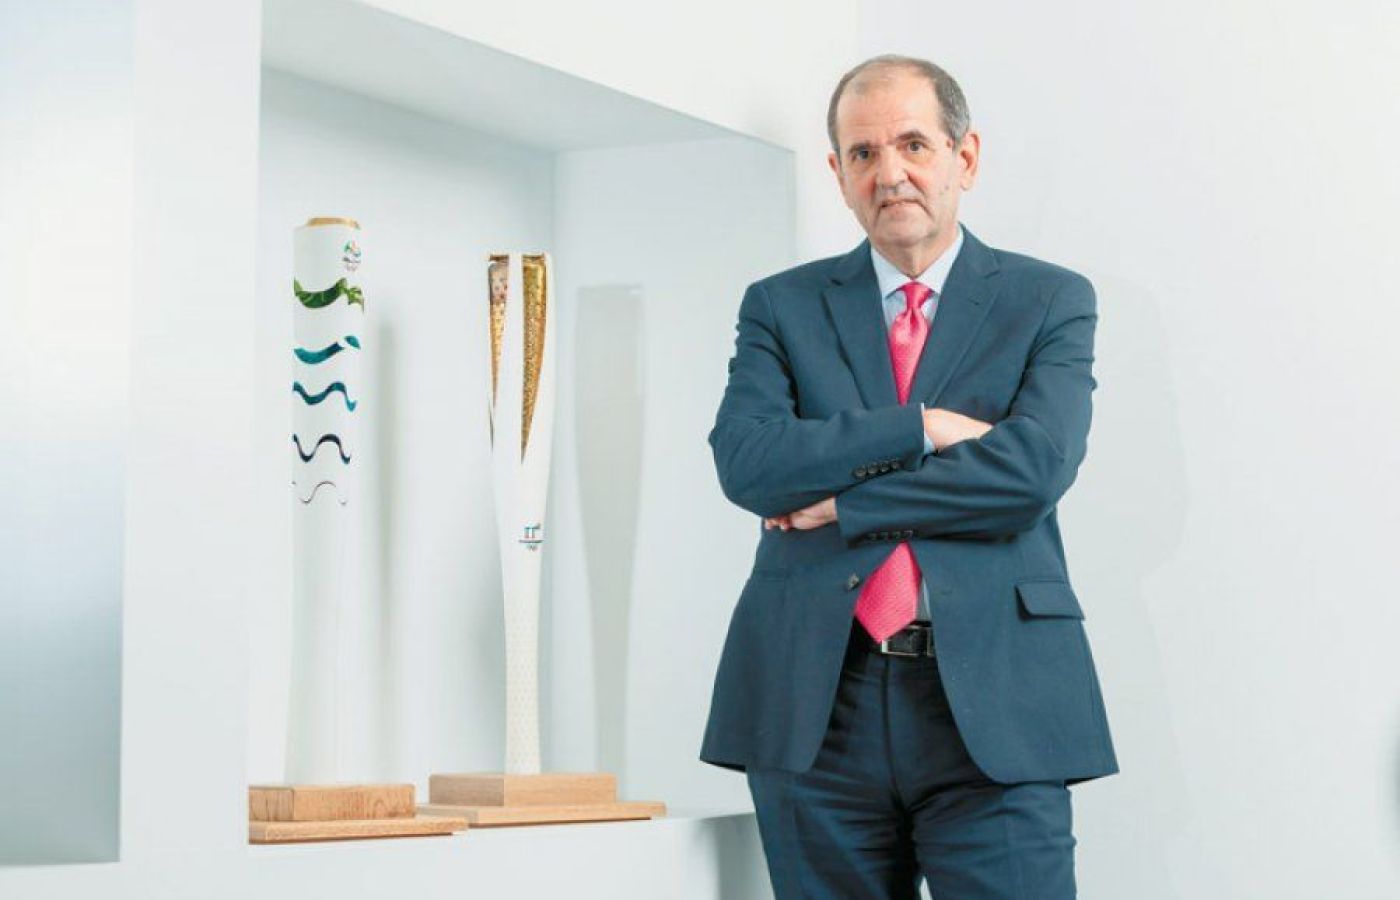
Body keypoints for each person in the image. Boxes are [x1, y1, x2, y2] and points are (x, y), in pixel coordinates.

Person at [699, 54, 1118, 899]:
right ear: (838, 174)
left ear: (966, 157)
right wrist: (920, 428)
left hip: (997, 699)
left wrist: (846, 505)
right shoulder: (780, 306)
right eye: (863, 153)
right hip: (816, 707)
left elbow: (1030, 473)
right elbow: (749, 463)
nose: (889, 173)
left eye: (913, 145)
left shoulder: (1048, 300)